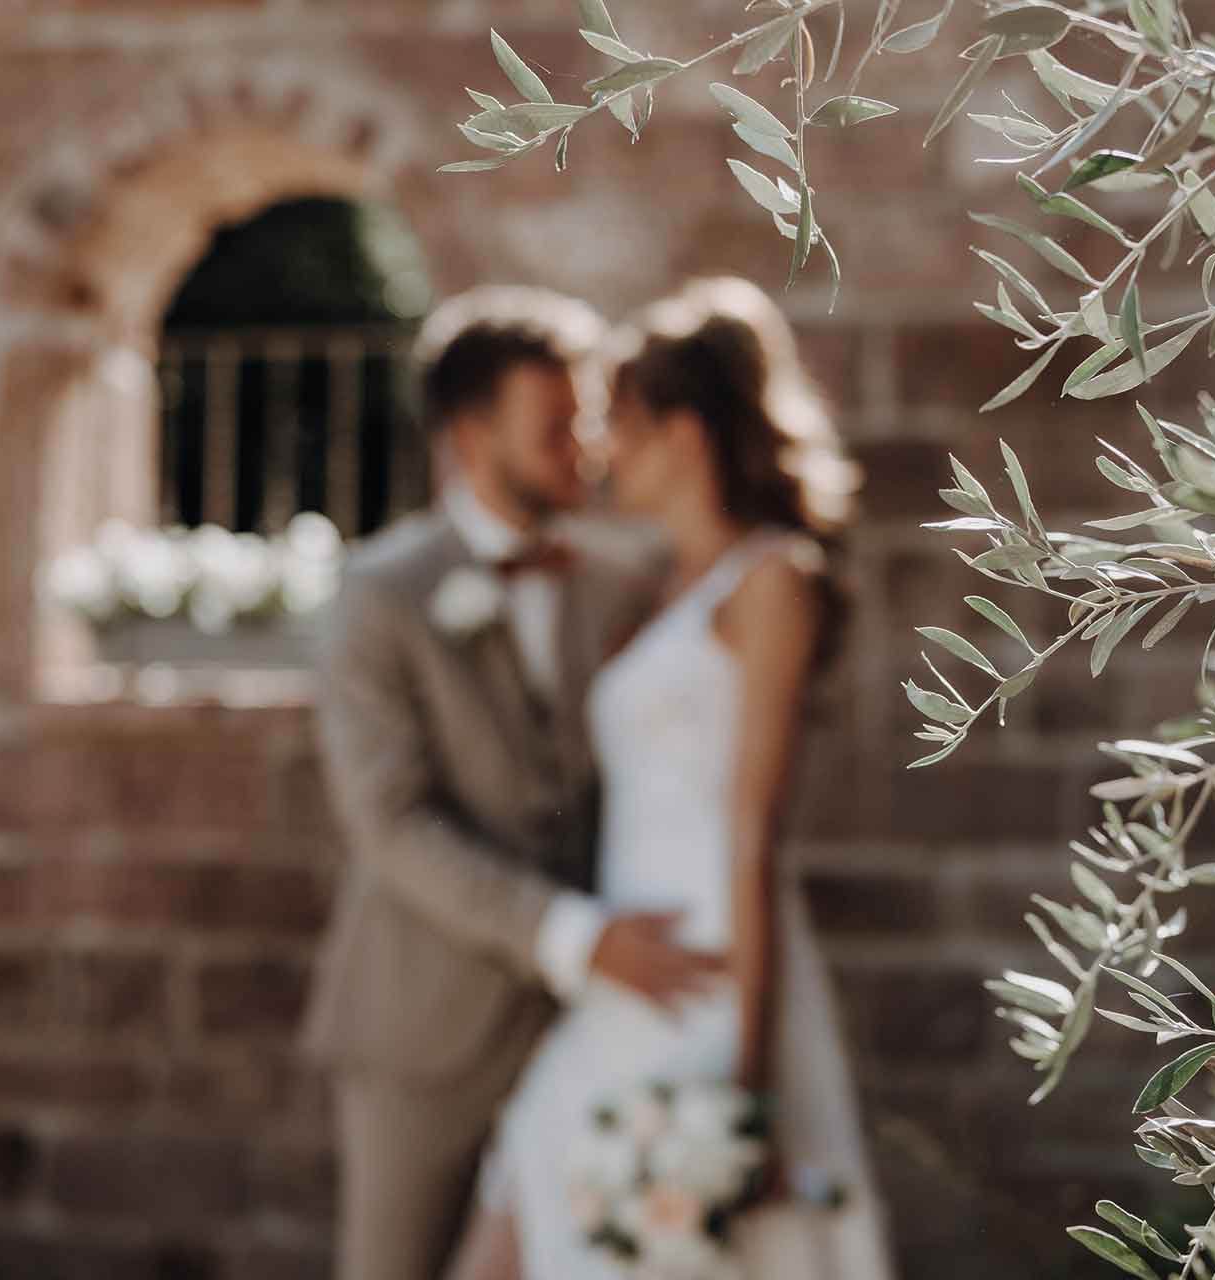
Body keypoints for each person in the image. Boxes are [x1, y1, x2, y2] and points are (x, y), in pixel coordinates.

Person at [447, 277, 891, 1280]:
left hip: (707, 972)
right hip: (622, 966)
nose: (603, 455)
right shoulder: (652, 588)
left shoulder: (774, 579)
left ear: (687, 434)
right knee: (506, 1238)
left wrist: (751, 1086)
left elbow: (752, 829)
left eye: (623, 427)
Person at [302, 286, 723, 1280]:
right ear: (470, 431)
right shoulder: (376, 596)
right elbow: (392, 823)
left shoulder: (621, 579)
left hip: (601, 1030)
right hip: (426, 1028)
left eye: (589, 419)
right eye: (554, 425)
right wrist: (576, 937)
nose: (584, 446)